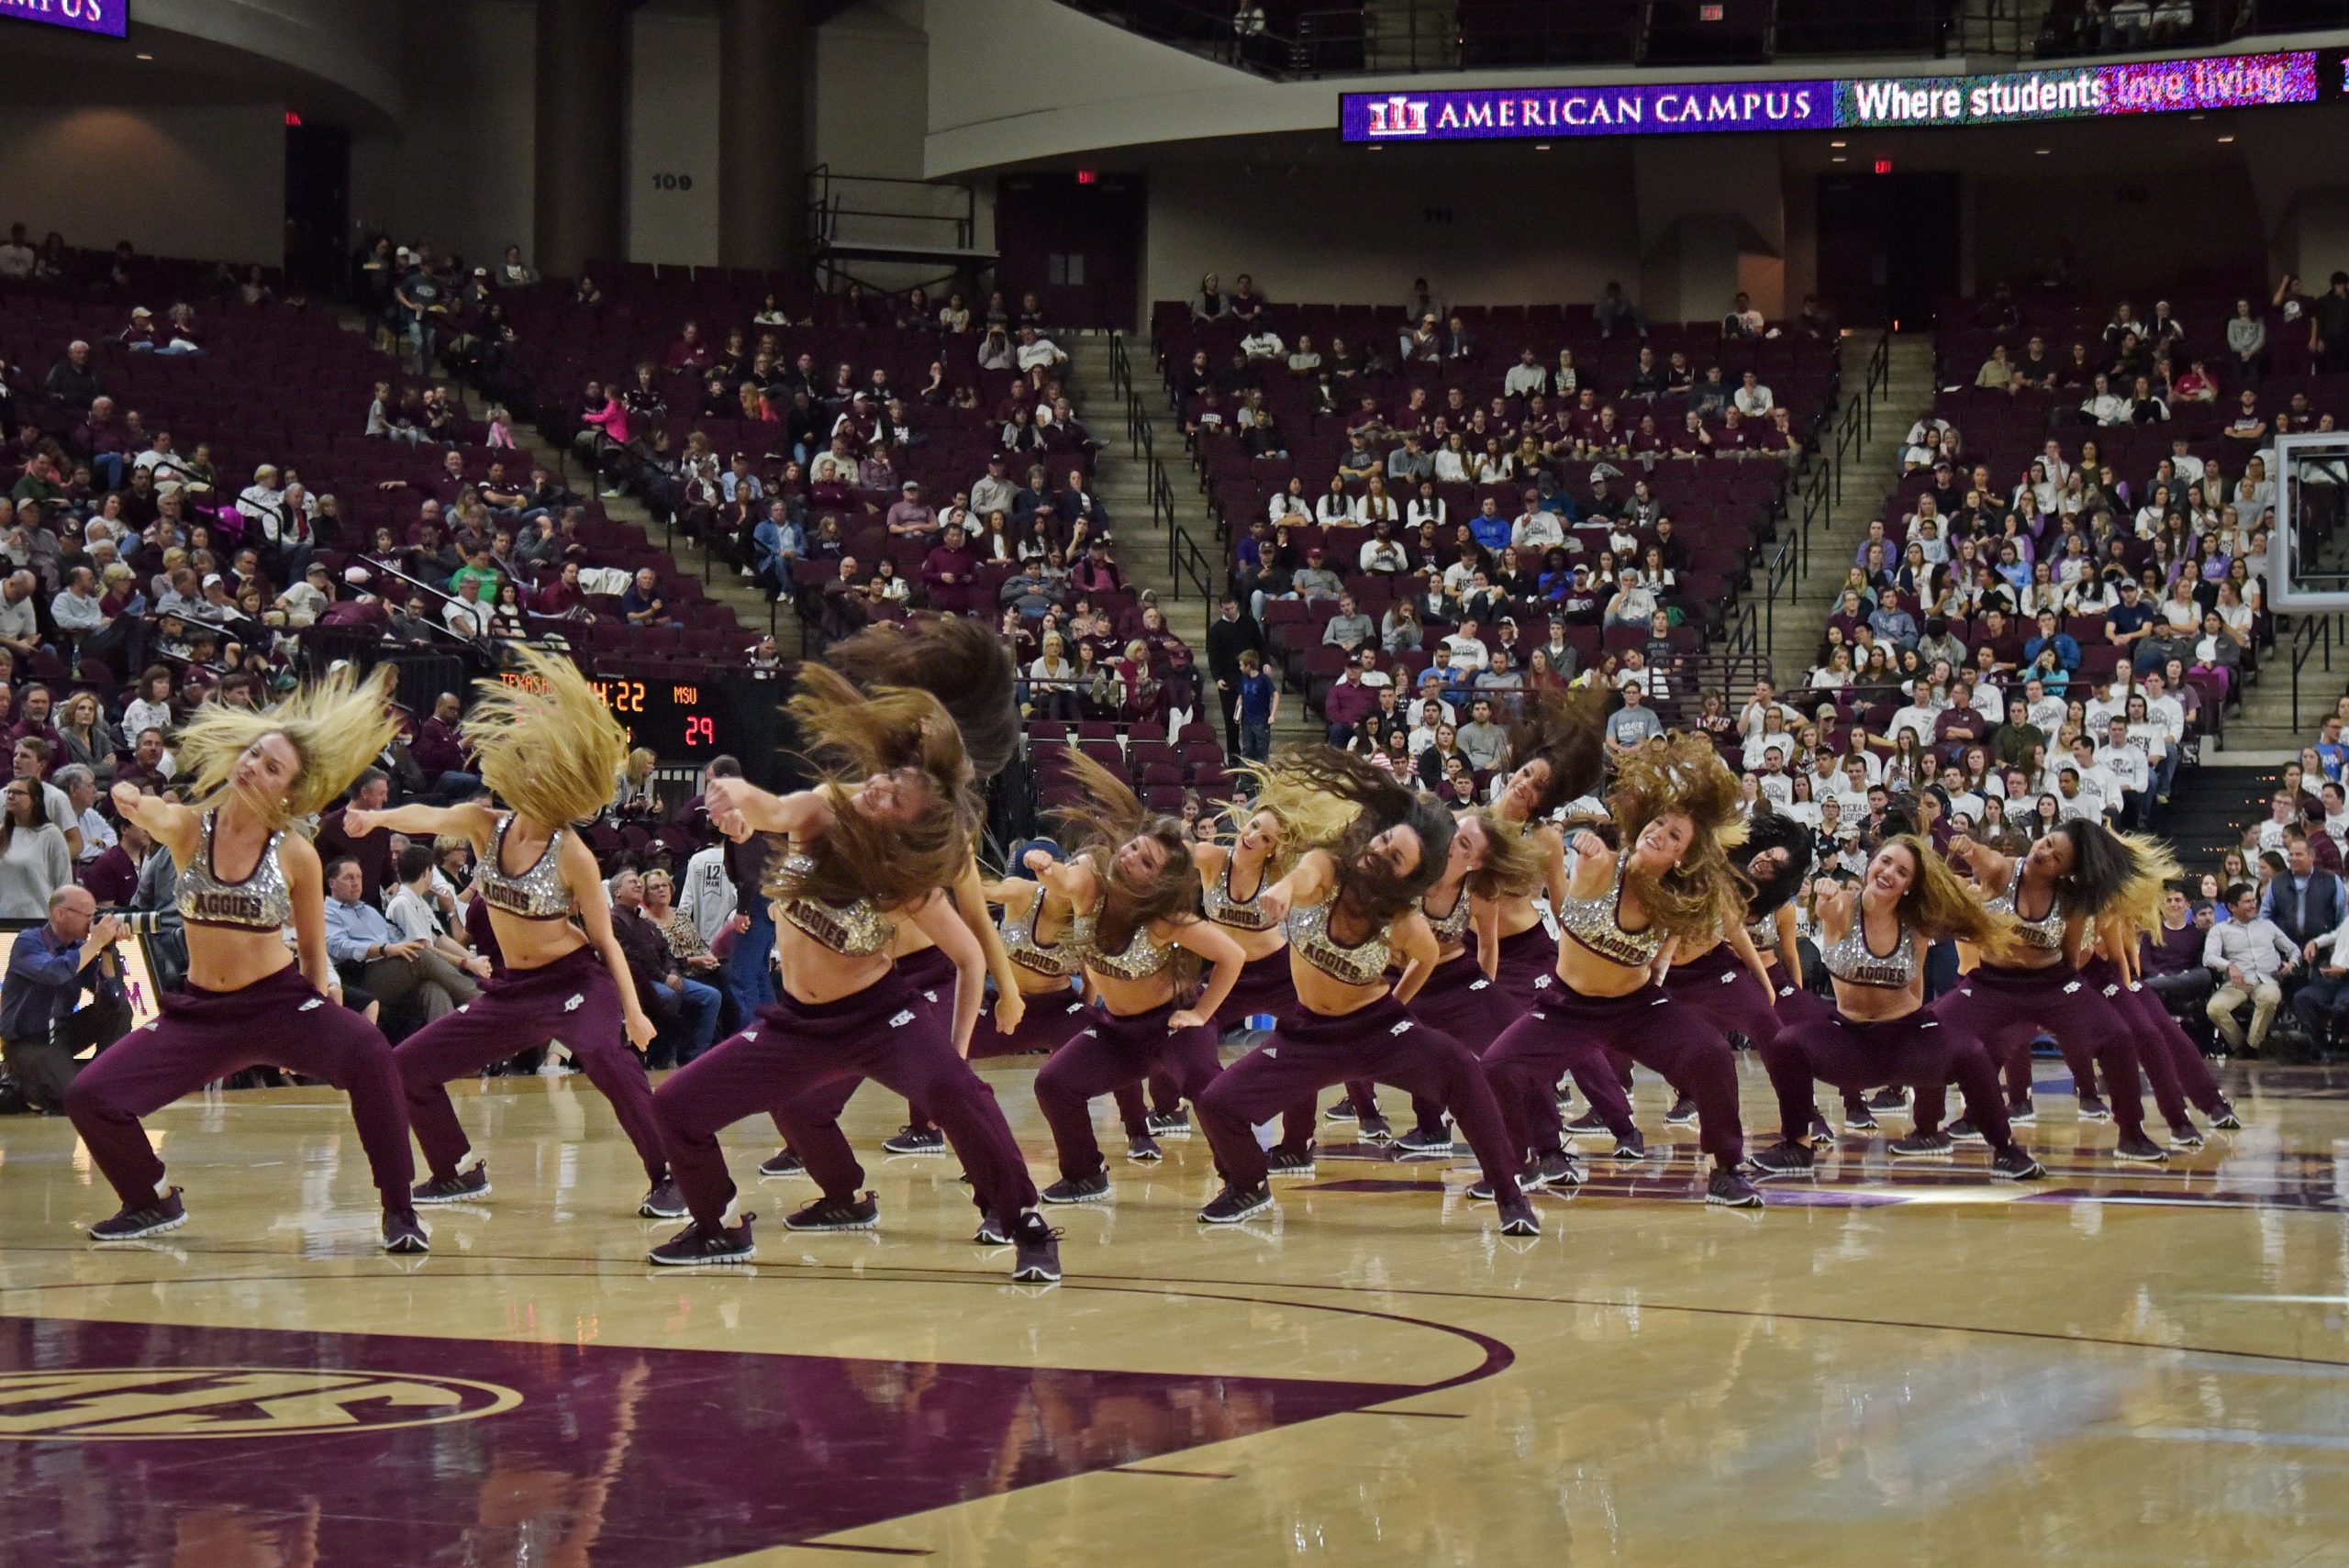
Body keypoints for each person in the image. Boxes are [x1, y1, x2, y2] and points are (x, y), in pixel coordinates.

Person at [645, 665, 1060, 1281]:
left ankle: (1025, 1221)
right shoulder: (824, 810)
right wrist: (735, 802)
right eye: (887, 778)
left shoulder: (905, 877)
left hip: (879, 1017)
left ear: (904, 829)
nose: (878, 790)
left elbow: (971, 955)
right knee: (676, 1104)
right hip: (796, 1023)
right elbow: (774, 806)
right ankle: (719, 1224)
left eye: (895, 798)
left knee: (959, 1095)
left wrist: (955, 1054)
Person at [62, 667, 428, 1250]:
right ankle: (148, 1200)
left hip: (281, 1004)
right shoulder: (189, 829)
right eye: (255, 754)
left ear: (288, 790)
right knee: (89, 1096)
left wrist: (320, 1030)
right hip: (199, 1014)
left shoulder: (297, 854)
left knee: (371, 1053)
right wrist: (130, 799)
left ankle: (400, 1210)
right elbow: (149, 811)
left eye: (272, 766)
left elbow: (312, 951)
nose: (254, 766)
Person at [342, 650, 676, 1218]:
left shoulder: (572, 852)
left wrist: (635, 1011)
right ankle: (454, 1171)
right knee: (408, 1068)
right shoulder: (483, 825)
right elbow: (425, 816)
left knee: (602, 1055)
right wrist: (375, 819)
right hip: (514, 989)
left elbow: (606, 940)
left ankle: (670, 1174)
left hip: (574, 980)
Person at [1190, 751, 1544, 1236]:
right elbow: (1305, 875)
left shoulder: (1403, 920)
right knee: (1216, 1105)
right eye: (1382, 841)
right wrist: (1286, 890)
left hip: (1377, 1029)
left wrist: (1400, 1005)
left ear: (1407, 879)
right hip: (1308, 1034)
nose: (1377, 853)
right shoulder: (1328, 869)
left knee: (1463, 1070)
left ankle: (1510, 1195)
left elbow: (1424, 957)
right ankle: (1248, 1186)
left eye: (1394, 857)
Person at [1480, 735, 1765, 1207]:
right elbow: (1586, 864)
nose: (1660, 833)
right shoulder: (1601, 863)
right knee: (1496, 1066)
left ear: (1682, 856)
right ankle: (1523, 1160)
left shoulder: (1675, 899)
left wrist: (1659, 969)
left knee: (1713, 1054)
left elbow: (1681, 934)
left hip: (1638, 1010)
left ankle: (1727, 1168)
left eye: (1675, 836)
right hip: (1566, 1006)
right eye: (1659, 823)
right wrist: (1589, 847)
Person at [1751, 839, 2045, 1182]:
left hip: (1906, 1037)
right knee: (1787, 1043)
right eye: (1886, 862)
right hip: (1851, 1040)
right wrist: (1825, 893)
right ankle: (1798, 1146)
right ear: (1871, 862)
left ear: (1909, 886)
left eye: (1902, 871)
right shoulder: (1843, 905)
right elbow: (1827, 909)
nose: (1889, 873)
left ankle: (2005, 1149)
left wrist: (1923, 1028)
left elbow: (1917, 985)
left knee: (1972, 1052)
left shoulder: (1916, 922)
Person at [1028, 756, 1245, 1204]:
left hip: (1168, 1027)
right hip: (1117, 1031)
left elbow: (1232, 955)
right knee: (1054, 1083)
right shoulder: (1092, 880)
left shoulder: (1167, 919)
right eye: (1134, 848)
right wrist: (1046, 868)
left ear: (1159, 883)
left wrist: (1202, 1013)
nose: (1129, 858)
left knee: (1209, 1091)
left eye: (1145, 862)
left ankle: (1245, 1182)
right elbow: (1066, 879)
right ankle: (1084, 1174)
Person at [1925, 824, 2169, 1161]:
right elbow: (1988, 860)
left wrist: (2066, 1003)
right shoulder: (2005, 869)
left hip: (2051, 982)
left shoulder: (2072, 900)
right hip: (1992, 983)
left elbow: (2070, 958)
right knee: (1928, 1033)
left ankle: (2132, 1135)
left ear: (2066, 872)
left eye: (2056, 858)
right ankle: (1927, 1132)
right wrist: (1970, 850)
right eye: (2047, 842)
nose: (2043, 853)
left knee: (2117, 1037)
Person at [1, 885, 134, 1113]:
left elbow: (112, 1000)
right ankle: (17, 1082)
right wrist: (95, 944)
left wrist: (107, 950)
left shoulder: (83, 948)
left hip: (63, 1033)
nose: (93, 921)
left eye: (96, 914)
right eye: (88, 915)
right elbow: (55, 973)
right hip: (28, 1042)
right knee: (71, 1102)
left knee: (120, 1010)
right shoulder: (28, 941)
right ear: (60, 914)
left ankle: (105, 1082)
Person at [2204, 879, 2299, 1053]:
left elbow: (2293, 949)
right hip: (2238, 982)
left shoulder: (2267, 926)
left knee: (2269, 998)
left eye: (2253, 900)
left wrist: (2292, 963)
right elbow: (2209, 957)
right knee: (2214, 1008)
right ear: (2232, 907)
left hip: (2267, 980)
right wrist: (2229, 965)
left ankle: (2251, 1046)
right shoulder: (2220, 930)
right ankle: (2242, 1046)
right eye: (2247, 902)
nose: (2253, 905)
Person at [0, 775, 72, 918]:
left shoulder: (50, 834)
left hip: (37, 921)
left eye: (18, 793)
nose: (10, 796)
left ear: (34, 800)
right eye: (8, 792)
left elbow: (64, 883)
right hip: (4, 921)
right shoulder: (3, 833)